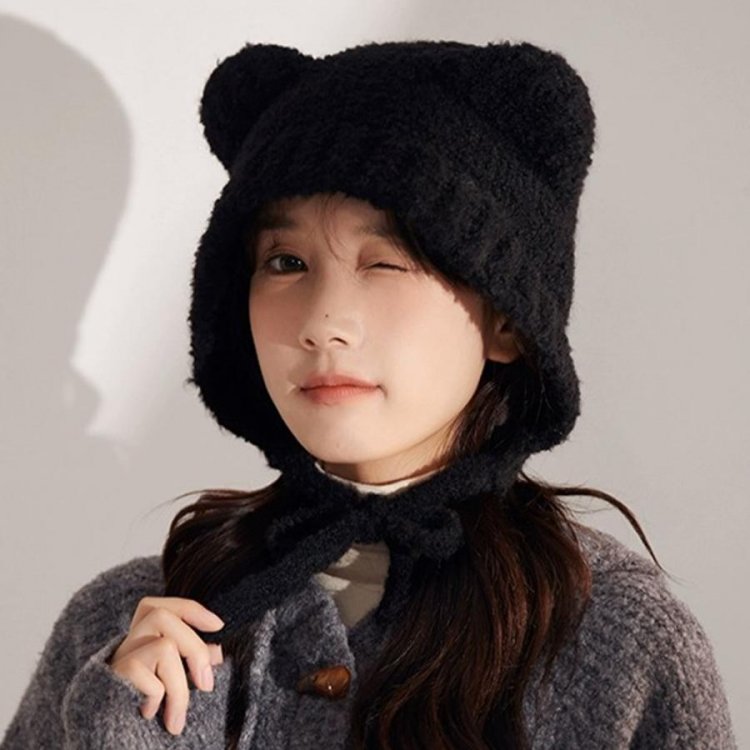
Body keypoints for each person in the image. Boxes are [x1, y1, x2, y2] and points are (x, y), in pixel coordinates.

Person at [1, 39, 737, 750]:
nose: (322, 322)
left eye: (386, 262)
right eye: (284, 262)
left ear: (507, 317)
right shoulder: (120, 628)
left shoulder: (616, 638)